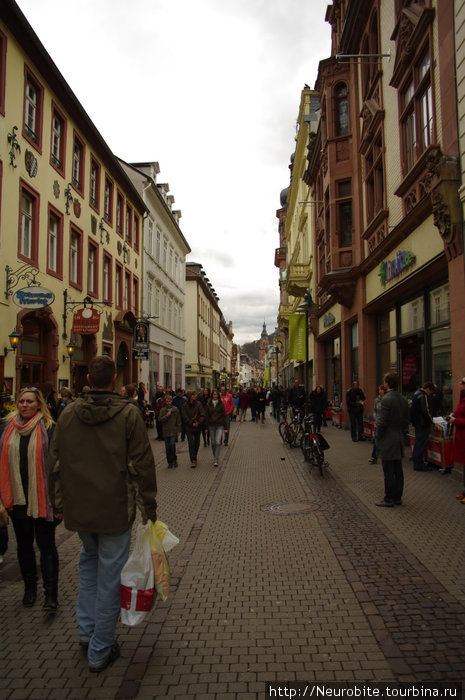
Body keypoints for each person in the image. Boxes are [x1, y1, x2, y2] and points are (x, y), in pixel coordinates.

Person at [48, 355, 157, 673]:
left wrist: (58, 503)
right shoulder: (128, 414)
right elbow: (142, 465)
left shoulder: (67, 415)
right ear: (113, 381)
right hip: (114, 509)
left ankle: (86, 633)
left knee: (89, 568)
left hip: (80, 508)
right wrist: (148, 508)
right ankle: (100, 649)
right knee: (110, 577)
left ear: (89, 381)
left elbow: (54, 463)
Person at [0, 387, 60, 610]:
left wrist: (59, 499)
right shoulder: (7, 429)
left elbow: (56, 466)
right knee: (24, 546)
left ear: (39, 405)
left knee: (46, 546)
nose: (24, 405)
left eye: (29, 402)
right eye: (21, 401)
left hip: (43, 498)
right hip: (17, 499)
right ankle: (30, 588)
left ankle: (50, 594)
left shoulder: (49, 429)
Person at [375, 372, 409, 507]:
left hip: (388, 439)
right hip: (398, 437)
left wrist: (377, 436)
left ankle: (389, 498)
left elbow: (382, 422)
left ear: (387, 383)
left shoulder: (386, 399)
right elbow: (406, 420)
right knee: (398, 470)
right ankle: (398, 497)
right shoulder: (403, 399)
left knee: (388, 470)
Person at [410, 381, 435, 471]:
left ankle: (416, 461)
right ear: (428, 389)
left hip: (417, 422)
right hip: (423, 423)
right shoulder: (423, 396)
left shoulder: (415, 394)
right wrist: (431, 421)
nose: (429, 394)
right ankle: (419, 464)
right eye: (430, 392)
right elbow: (426, 410)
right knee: (421, 443)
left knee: (418, 442)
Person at [449, 378, 465, 502]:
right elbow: (459, 411)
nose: (459, 384)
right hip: (461, 436)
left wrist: (456, 420)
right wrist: (453, 415)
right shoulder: (462, 397)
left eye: (462, 382)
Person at [182, 390, 206, 468]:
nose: (195, 396)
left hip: (197, 427)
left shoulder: (199, 404)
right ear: (190, 396)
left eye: (195, 395)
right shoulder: (185, 405)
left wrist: (198, 423)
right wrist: (191, 423)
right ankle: (193, 460)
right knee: (191, 443)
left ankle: (194, 456)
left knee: (197, 443)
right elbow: (184, 416)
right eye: (193, 395)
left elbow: (203, 415)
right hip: (189, 427)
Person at [205, 389, 227, 467]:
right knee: (213, 442)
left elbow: (224, 416)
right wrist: (206, 428)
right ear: (212, 395)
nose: (215, 396)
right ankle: (215, 455)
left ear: (218, 396)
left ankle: (216, 459)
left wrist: (225, 427)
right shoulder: (209, 404)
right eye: (214, 395)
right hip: (211, 425)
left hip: (219, 425)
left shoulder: (221, 404)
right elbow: (206, 416)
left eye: (216, 395)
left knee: (218, 442)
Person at [159, 393, 181, 468]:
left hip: (173, 431)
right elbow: (160, 420)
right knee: (167, 448)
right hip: (166, 431)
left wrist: (178, 430)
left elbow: (178, 420)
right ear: (165, 402)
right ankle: (169, 462)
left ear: (171, 401)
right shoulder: (163, 410)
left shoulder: (175, 409)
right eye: (167, 401)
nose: (168, 402)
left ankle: (174, 460)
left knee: (172, 445)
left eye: (169, 401)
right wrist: (166, 416)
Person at [368, 384, 387, 464]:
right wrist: (376, 418)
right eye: (379, 390)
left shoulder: (387, 400)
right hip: (378, 424)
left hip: (385, 424)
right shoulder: (377, 400)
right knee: (377, 441)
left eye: (381, 390)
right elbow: (375, 410)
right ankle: (374, 457)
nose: (379, 391)